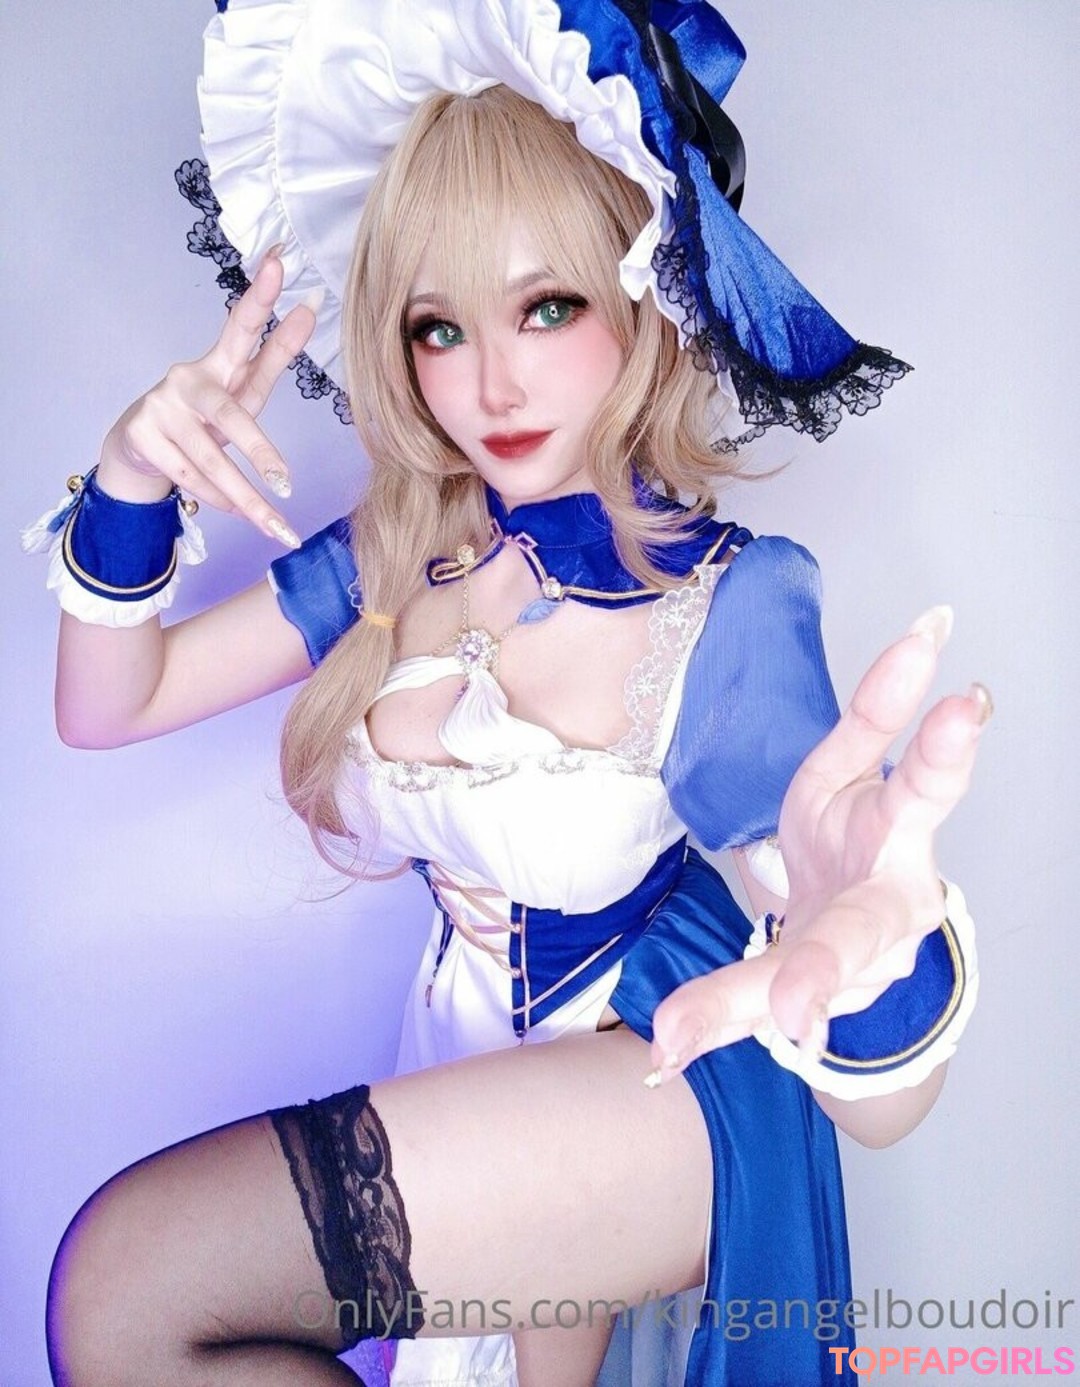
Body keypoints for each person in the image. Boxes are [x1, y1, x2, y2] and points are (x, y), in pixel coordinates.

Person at [30, 4, 985, 1385]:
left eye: (547, 306)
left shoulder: (727, 603)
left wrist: (874, 942)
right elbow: (111, 703)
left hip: (650, 1074)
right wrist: (130, 481)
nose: (490, 381)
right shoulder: (394, 552)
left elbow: (883, 1105)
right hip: (459, 1066)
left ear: (642, 299)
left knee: (133, 1279)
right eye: (438, 326)